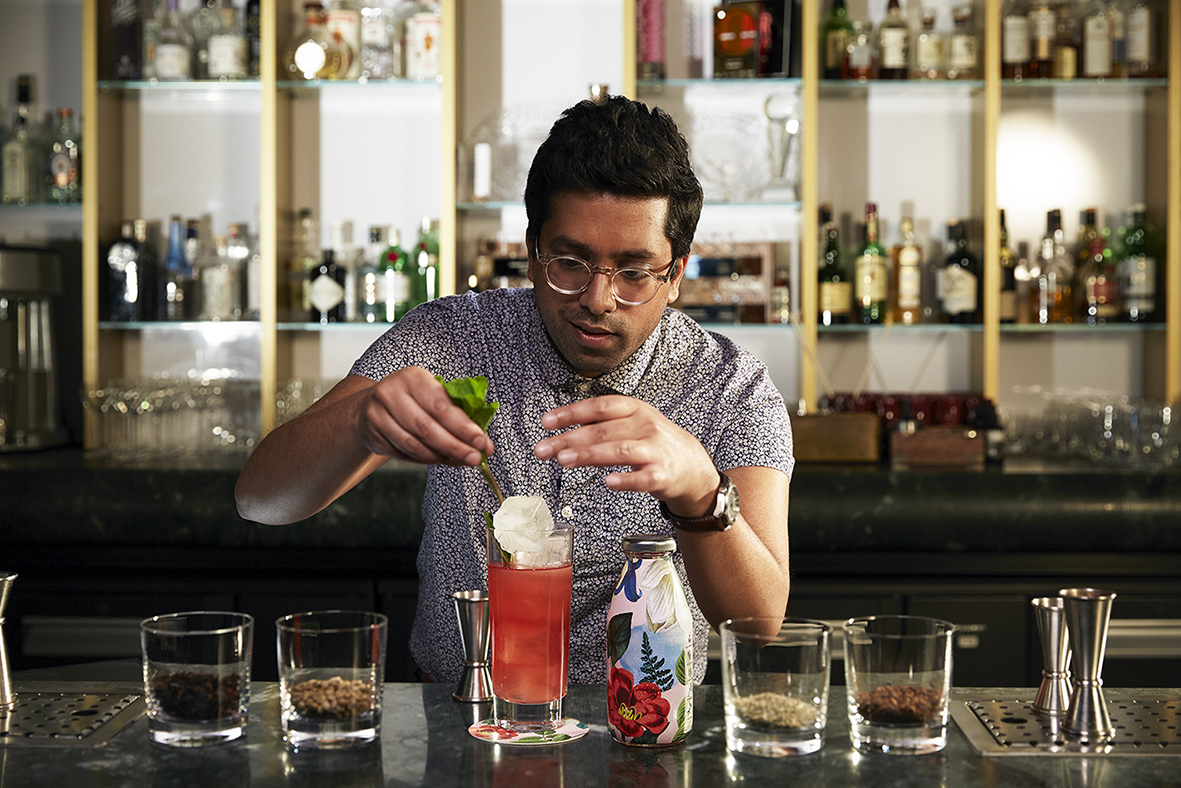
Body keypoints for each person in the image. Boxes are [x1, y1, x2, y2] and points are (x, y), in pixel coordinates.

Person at [235, 95, 793, 685]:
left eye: (634, 273)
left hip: (642, 722)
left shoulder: (730, 386)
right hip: (459, 715)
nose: (598, 300)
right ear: (532, 254)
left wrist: (700, 490)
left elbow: (759, 624)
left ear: (676, 274)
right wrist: (358, 423)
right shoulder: (454, 339)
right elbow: (260, 500)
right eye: (570, 262)